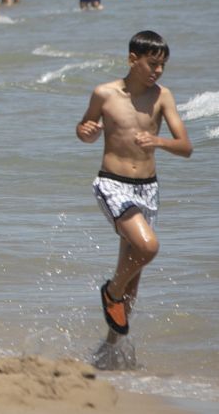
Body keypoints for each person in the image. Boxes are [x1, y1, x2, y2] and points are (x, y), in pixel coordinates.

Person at [76, 31, 191, 359]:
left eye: (162, 66)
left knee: (134, 279)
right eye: (152, 63)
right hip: (112, 184)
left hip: (148, 189)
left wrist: (160, 142)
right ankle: (111, 292)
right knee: (147, 246)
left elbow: (185, 147)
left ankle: (109, 351)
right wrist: (86, 132)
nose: (157, 71)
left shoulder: (162, 96)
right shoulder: (105, 94)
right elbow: (84, 129)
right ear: (132, 59)